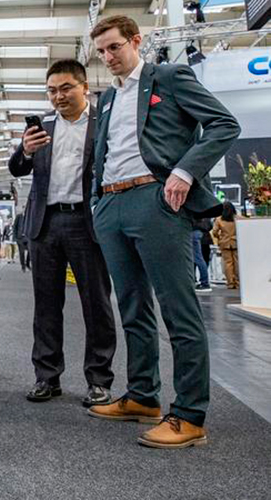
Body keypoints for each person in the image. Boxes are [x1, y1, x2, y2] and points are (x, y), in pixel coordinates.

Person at [87, 16, 240, 448]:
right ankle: (142, 396)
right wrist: (98, 201)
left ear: (136, 41)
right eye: (101, 51)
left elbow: (224, 124)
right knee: (132, 307)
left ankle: (189, 415)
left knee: (178, 309)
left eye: (114, 47)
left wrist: (185, 172)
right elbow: (105, 151)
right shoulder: (108, 98)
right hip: (112, 203)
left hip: (155, 200)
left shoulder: (169, 78)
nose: (108, 57)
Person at [8, 58, 117, 407]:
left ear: (84, 87)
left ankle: (99, 380)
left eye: (66, 88)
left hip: (87, 223)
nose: (58, 96)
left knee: (96, 303)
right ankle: (47, 376)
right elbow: (16, 167)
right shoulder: (43, 127)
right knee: (46, 306)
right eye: (52, 90)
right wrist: (26, 150)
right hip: (45, 224)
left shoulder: (103, 122)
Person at [211, 202, 238, 289]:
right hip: (236, 242)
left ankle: (230, 283)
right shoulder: (238, 218)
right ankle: (238, 282)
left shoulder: (219, 219)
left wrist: (220, 237)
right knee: (237, 262)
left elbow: (214, 232)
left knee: (228, 263)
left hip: (224, 243)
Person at [192, 217, 214, 292]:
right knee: (201, 259)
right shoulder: (206, 216)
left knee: (197, 259)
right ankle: (203, 282)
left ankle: (204, 282)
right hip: (205, 237)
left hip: (194, 232)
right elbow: (210, 226)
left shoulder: (193, 215)